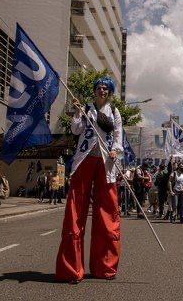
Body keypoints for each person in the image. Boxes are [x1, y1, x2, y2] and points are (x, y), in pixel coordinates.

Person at [55, 77, 123, 283]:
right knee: (75, 214)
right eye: (99, 88)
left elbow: (119, 137)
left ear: (110, 92)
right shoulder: (85, 109)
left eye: (105, 88)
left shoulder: (115, 112)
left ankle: (105, 267)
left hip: (106, 164)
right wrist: (77, 112)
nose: (102, 91)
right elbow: (76, 130)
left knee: (107, 215)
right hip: (84, 161)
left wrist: (115, 150)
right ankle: (71, 270)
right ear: (94, 91)